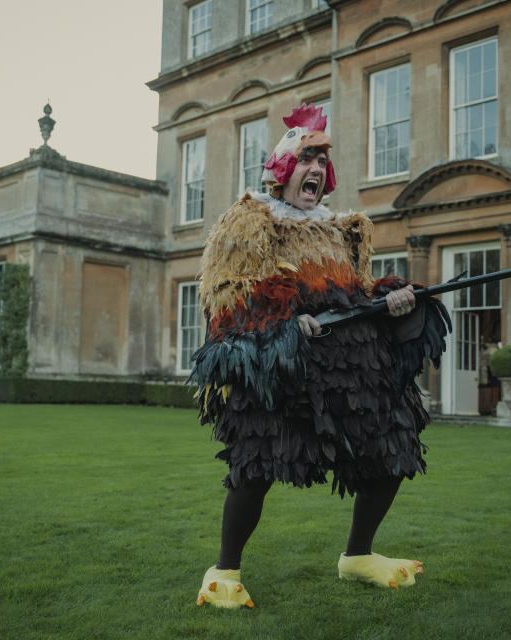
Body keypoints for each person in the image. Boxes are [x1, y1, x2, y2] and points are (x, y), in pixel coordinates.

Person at [189, 103, 450, 609]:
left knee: (393, 447)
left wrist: (393, 300)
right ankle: (223, 572)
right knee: (257, 465)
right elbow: (227, 294)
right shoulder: (251, 221)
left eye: (321, 162)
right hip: (286, 369)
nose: (315, 170)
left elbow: (357, 293)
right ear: (284, 168)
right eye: (306, 158)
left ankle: (357, 556)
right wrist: (283, 318)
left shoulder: (344, 229)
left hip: (352, 371)